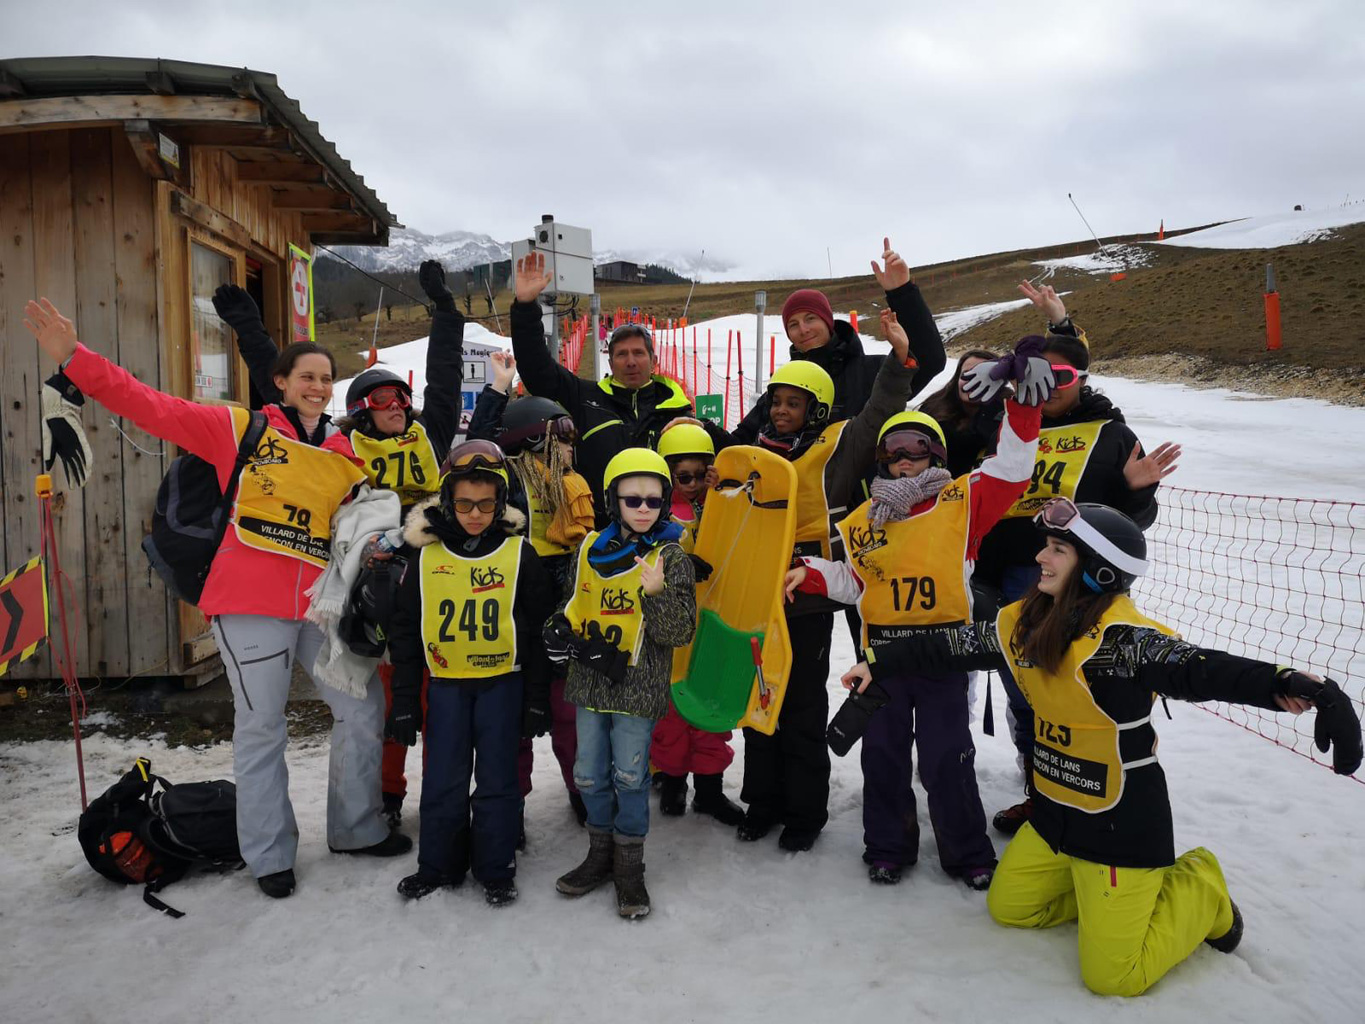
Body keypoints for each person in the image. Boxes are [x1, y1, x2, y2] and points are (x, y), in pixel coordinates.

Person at [840, 498, 1361, 996]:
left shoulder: (1123, 642)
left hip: (1118, 823)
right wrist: (879, 663)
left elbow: (1201, 669)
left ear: (1100, 571)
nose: (1040, 557)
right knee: (1010, 909)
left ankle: (1202, 888)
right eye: (1046, 546)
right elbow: (953, 645)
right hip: (1054, 817)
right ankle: (1099, 895)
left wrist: (1286, 683)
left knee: (1114, 977)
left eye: (1057, 550)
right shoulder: (1025, 622)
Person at [22, 297, 409, 901]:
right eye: (306, 376)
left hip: (316, 605)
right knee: (263, 727)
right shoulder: (238, 429)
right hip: (248, 603)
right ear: (280, 382)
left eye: (326, 378)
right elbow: (151, 406)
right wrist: (75, 358)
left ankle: (357, 829)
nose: (317, 387)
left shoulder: (343, 453)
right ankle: (269, 854)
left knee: (362, 708)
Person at [786, 353, 1044, 886]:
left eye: (916, 447)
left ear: (937, 454)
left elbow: (1014, 470)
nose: (904, 459)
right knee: (882, 756)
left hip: (942, 656)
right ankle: (887, 846)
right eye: (893, 450)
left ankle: (968, 854)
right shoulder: (864, 520)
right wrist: (810, 573)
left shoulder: (962, 501)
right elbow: (856, 582)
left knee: (947, 756)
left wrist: (1022, 408)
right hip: (881, 660)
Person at [971, 285, 1181, 836]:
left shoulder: (1111, 435)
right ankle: (1040, 792)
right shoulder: (1009, 425)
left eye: (1061, 376)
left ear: (1082, 379)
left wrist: (1137, 492)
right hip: (1011, 578)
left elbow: (1127, 528)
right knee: (1027, 692)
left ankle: (1101, 793)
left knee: (1082, 689)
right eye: (1037, 375)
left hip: (1081, 586)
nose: (1048, 386)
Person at [716, 309, 920, 852]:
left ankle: (805, 814)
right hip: (758, 592)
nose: (781, 411)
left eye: (794, 403)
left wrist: (899, 360)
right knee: (759, 698)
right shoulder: (754, 451)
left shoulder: (837, 447)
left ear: (817, 409)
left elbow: (879, 411)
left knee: (802, 704)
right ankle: (763, 802)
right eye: (776, 402)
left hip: (805, 595)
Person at [385, 441, 552, 906]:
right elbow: (406, 632)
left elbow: (539, 631)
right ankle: (439, 864)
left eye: (485, 504)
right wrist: (404, 702)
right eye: (463, 504)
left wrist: (537, 698)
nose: (474, 514)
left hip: (503, 684)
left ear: (501, 502)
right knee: (443, 778)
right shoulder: (425, 557)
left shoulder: (520, 554)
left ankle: (496, 867)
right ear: (447, 501)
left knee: (499, 780)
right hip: (446, 687)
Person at [546, 449, 697, 919]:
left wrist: (656, 595)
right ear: (614, 500)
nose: (644, 509)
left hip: (638, 685)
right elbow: (572, 604)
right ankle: (600, 853)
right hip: (591, 680)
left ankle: (629, 864)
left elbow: (680, 632)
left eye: (654, 500)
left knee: (630, 776)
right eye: (633, 499)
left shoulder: (671, 555)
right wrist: (556, 628)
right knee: (589, 773)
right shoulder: (590, 548)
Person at [468, 351, 597, 828]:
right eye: (562, 437)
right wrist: (497, 391)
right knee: (512, 720)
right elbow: (477, 450)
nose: (570, 446)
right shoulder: (507, 480)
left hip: (562, 608)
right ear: (534, 439)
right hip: (514, 609)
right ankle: (510, 802)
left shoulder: (571, 483)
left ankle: (582, 789)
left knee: (568, 715)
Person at [509, 252, 706, 523]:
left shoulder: (677, 411)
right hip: (597, 530)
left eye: (638, 353)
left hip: (663, 530)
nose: (631, 361)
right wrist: (525, 308)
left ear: (654, 361)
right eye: (622, 354)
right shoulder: (585, 397)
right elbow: (537, 371)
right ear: (611, 363)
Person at [729, 238, 946, 443]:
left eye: (810, 319)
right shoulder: (784, 389)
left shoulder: (872, 372)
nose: (803, 329)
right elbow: (740, 439)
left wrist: (902, 292)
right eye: (793, 325)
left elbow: (931, 360)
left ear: (828, 323)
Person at [648, 423, 745, 825]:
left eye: (699, 475)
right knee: (671, 714)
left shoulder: (724, 505)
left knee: (711, 710)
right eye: (682, 477)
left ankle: (709, 790)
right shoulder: (653, 513)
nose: (691, 485)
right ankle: (672, 780)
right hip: (672, 628)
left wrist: (720, 494)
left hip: (715, 623)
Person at [916, 348, 1002, 476]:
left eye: (983, 376)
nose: (973, 381)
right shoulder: (933, 409)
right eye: (967, 374)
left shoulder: (1007, 412)